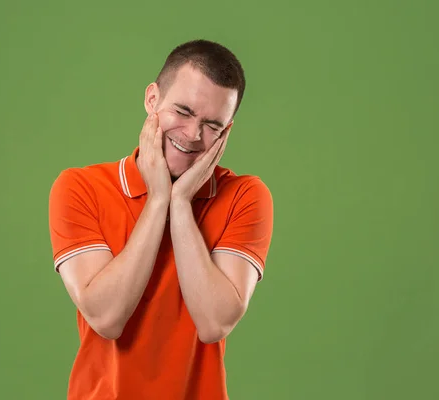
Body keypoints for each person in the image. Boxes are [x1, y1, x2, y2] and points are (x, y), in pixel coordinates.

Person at [48, 39, 274, 400]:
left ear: (226, 132)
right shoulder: (80, 188)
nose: (192, 135)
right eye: (182, 111)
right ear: (152, 99)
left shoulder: (245, 196)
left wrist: (181, 202)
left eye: (212, 124)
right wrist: (158, 201)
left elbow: (214, 323)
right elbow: (106, 318)